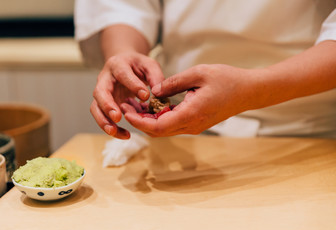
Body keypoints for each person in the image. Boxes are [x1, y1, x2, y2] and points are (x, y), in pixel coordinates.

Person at [74, 0, 336, 140]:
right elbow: (123, 5)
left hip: (312, 129)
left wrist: (254, 89)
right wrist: (124, 54)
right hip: (179, 129)